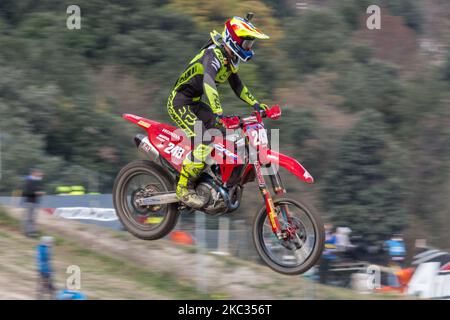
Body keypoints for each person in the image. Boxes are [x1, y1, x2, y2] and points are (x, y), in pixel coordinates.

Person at [167, 14, 270, 208]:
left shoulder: (230, 59)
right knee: (206, 138)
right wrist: (218, 111)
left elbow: (238, 87)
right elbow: (208, 81)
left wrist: (256, 105)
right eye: (247, 43)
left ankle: (210, 179)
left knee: (225, 135)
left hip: (195, 103)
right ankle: (183, 188)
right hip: (180, 103)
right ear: (234, 40)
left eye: (250, 44)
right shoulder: (213, 55)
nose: (249, 48)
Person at [22, 168, 45, 237]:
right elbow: (26, 193)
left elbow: (39, 189)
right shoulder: (29, 181)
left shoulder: (37, 181)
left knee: (34, 218)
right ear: (33, 173)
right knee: (29, 217)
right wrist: (37, 193)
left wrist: (40, 192)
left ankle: (33, 231)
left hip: (36, 201)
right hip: (30, 201)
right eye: (38, 173)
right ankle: (27, 232)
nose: (40, 175)